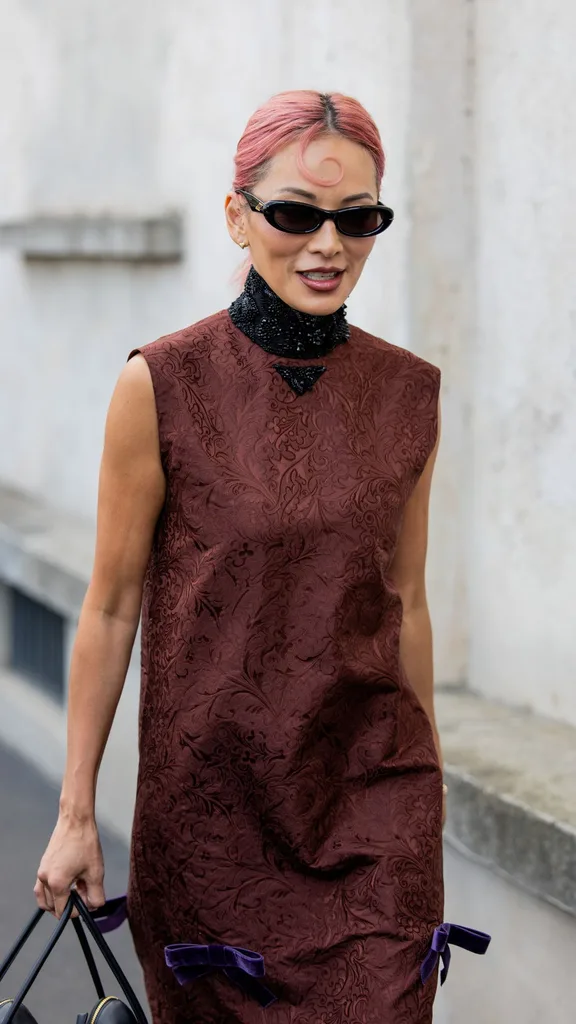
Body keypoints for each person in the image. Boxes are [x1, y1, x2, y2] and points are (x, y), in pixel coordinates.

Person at [34, 90, 455, 1023]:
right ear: (238, 215)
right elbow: (110, 606)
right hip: (213, 819)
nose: (329, 245)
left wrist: (429, 788)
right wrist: (75, 814)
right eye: (296, 214)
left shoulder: (410, 395)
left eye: (358, 219)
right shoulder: (161, 384)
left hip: (372, 810)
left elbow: (408, 601)